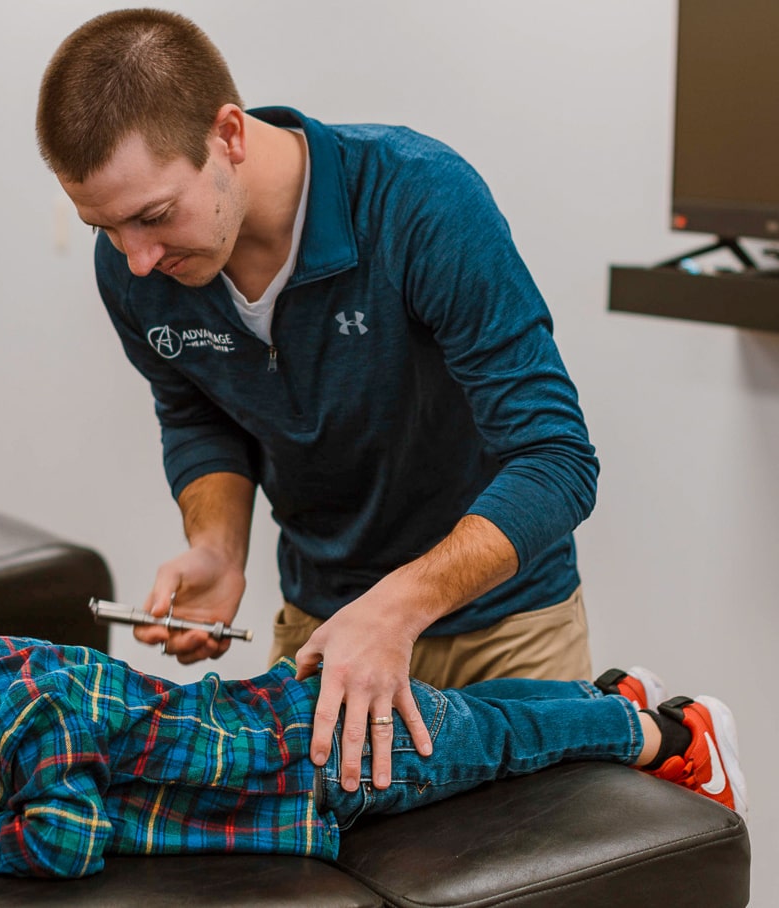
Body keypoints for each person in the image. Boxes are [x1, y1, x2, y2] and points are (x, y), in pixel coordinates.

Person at [36, 8, 601, 795]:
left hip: (503, 630)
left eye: (154, 216)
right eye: (103, 226)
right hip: (323, 626)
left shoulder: (418, 201)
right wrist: (217, 548)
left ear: (228, 135)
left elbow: (557, 460)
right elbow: (199, 415)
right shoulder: (137, 270)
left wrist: (397, 605)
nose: (136, 260)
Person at [0, 633, 747, 879]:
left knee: (491, 738)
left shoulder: (28, 723)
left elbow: (66, 838)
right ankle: (603, 696)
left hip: (334, 756)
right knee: (480, 713)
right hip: (284, 715)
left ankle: (664, 731)